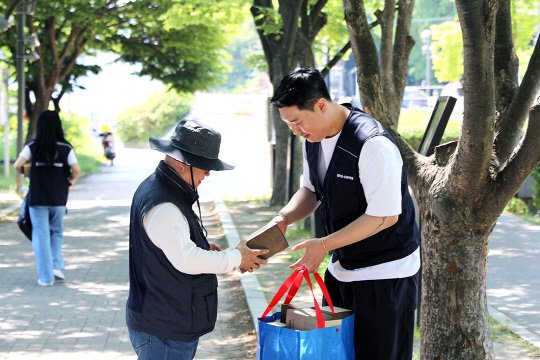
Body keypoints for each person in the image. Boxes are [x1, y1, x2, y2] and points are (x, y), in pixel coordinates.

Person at [269, 68, 420, 360]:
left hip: (386, 274)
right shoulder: (311, 139)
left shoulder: (373, 145)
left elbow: (383, 217)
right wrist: (283, 219)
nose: (295, 131)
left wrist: (323, 245)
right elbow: (311, 190)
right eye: (288, 124)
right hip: (343, 269)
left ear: (321, 105)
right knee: (338, 354)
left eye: (297, 121)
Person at [125, 119, 268, 360]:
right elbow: (186, 259)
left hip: (164, 321)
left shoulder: (164, 188)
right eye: (203, 166)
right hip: (164, 327)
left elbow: (172, 247)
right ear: (183, 164)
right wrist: (235, 258)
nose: (208, 173)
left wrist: (204, 248)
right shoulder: (164, 203)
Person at [14, 110, 81, 287]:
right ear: (58, 126)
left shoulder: (33, 147)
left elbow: (17, 165)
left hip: (37, 198)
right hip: (59, 197)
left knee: (41, 235)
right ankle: (57, 267)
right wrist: (70, 180)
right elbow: (76, 169)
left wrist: (28, 174)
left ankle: (46, 278)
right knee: (56, 231)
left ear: (40, 127)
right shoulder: (66, 148)